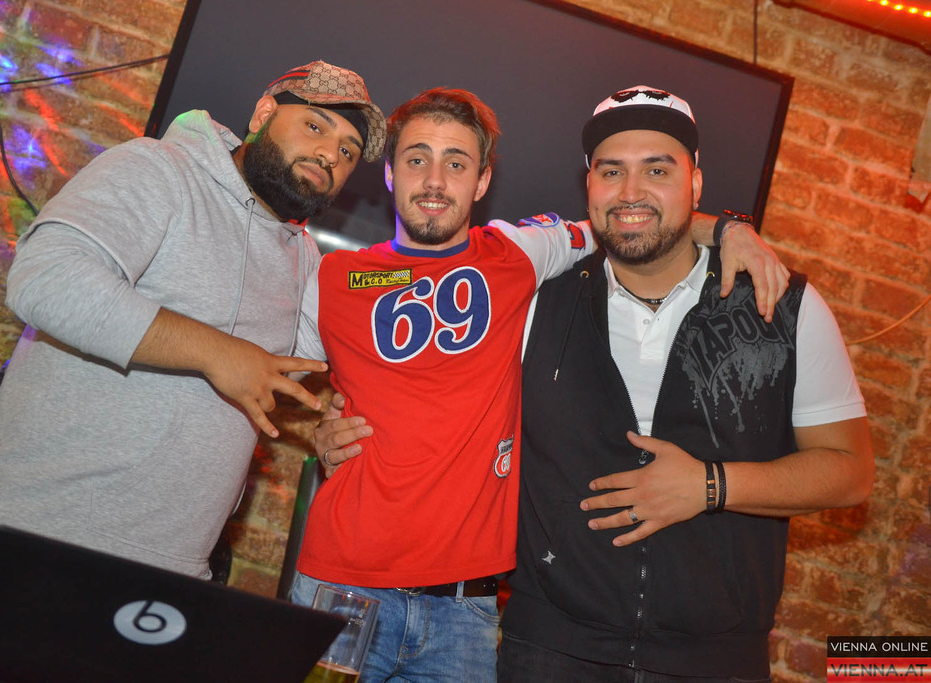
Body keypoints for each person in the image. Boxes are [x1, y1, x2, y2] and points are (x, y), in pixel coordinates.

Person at [292, 87, 788, 682]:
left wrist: (729, 230)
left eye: (457, 163)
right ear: (390, 173)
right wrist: (317, 427)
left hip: (465, 613)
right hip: (341, 588)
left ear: (482, 181)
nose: (435, 181)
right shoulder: (333, 276)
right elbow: (274, 380)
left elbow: (631, 217)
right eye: (417, 159)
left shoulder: (520, 252)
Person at [0, 60, 387, 625]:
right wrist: (217, 352)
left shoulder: (303, 257)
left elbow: (291, 367)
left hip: (165, 588)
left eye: (349, 151)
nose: (330, 154)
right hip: (24, 555)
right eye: (315, 126)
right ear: (263, 114)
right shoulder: (160, 168)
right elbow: (46, 279)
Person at [496, 86, 875, 682]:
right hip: (548, 651)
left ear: (696, 183)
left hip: (715, 664)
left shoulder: (781, 304)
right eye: (611, 171)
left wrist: (710, 485)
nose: (631, 192)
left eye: (657, 170)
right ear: (588, 185)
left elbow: (850, 472)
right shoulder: (536, 301)